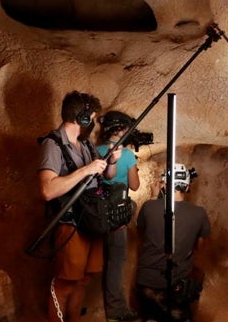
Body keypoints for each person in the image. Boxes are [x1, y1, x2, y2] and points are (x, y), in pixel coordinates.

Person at [37, 90, 121, 322]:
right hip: (70, 223)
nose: (93, 122)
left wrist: (112, 162)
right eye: (91, 116)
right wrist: (85, 169)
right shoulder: (52, 145)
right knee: (64, 284)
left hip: (92, 221)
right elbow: (47, 190)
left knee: (83, 280)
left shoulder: (85, 144)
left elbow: (108, 176)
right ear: (82, 117)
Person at [136, 163, 211, 322]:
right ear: (187, 185)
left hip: (147, 282)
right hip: (176, 286)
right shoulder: (199, 213)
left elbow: (142, 234)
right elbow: (199, 246)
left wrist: (154, 197)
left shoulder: (149, 206)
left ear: (164, 183)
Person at [96, 111, 140, 322]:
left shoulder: (95, 150)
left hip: (97, 215)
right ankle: (115, 312)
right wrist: (133, 167)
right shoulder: (128, 155)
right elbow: (134, 185)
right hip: (117, 219)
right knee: (115, 263)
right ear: (121, 130)